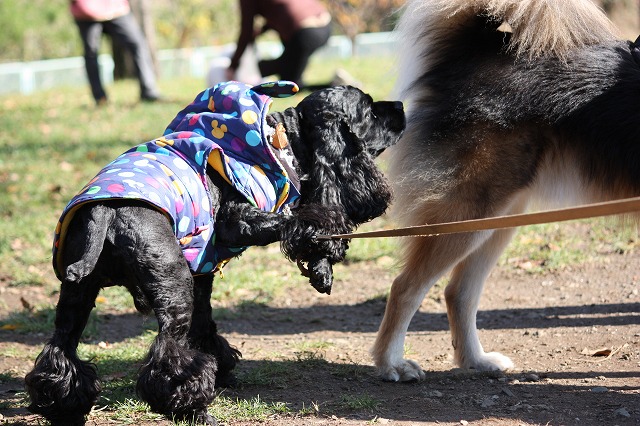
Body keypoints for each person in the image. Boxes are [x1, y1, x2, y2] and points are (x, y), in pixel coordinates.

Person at [227, 0, 352, 90]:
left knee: (290, 86)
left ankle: (338, 86)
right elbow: (283, 10)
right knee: (287, 76)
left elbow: (246, 32)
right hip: (325, 25)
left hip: (306, 33)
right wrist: (262, 30)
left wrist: (233, 66)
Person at [70, 0, 162, 105]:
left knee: (138, 44)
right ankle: (100, 98)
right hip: (86, 11)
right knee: (91, 53)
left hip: (116, 9)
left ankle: (148, 91)